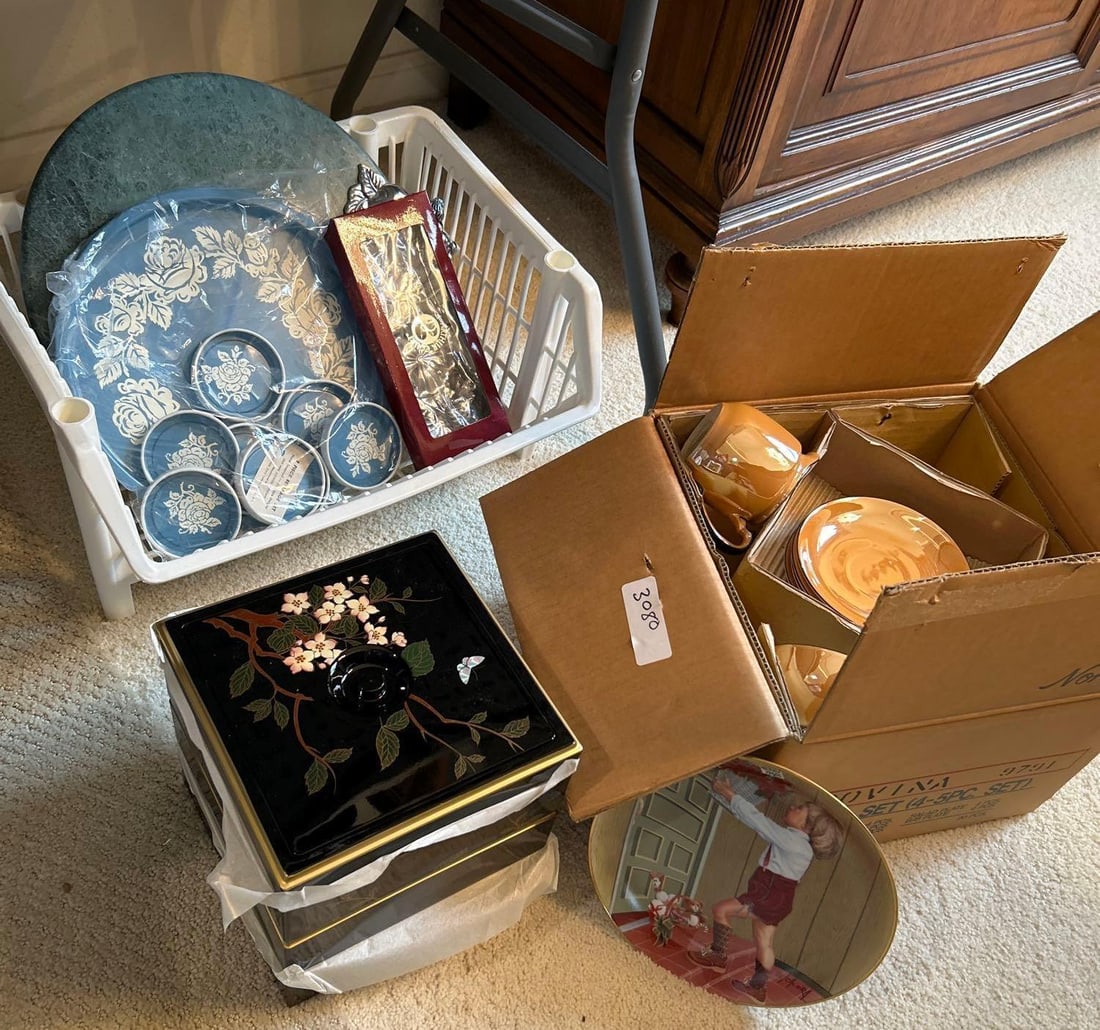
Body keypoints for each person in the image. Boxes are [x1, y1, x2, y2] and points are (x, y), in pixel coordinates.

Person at [689, 776, 843, 1003]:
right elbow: (762, 829)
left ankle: (718, 956)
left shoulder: (794, 842)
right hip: (777, 898)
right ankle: (758, 987)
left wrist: (730, 794)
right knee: (764, 942)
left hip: (766, 893)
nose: (792, 807)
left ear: (806, 826)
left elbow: (759, 823)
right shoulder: (799, 846)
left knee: (721, 910)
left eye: (799, 808)